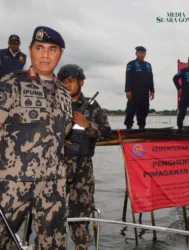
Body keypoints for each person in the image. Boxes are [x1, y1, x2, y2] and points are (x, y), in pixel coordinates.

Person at [0, 26, 72, 249]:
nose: (45, 54)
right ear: (30, 50)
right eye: (39, 48)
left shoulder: (64, 93)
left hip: (54, 186)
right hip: (12, 184)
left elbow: (64, 132)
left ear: (60, 54)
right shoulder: (11, 84)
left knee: (52, 244)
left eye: (52, 49)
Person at [58, 64, 111, 250]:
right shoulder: (53, 105)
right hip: (56, 168)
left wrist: (87, 124)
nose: (66, 85)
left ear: (81, 82)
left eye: (70, 81)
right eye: (63, 82)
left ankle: (81, 246)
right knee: (52, 214)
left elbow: (106, 133)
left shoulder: (92, 107)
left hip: (83, 169)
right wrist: (58, 140)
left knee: (80, 216)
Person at [124, 46, 155, 129]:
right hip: (133, 91)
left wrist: (152, 90)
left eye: (143, 53)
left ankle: (141, 127)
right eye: (139, 53)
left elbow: (150, 78)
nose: (141, 55)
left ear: (145, 54)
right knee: (131, 110)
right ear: (136, 54)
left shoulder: (148, 65)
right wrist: (128, 90)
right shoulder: (131, 64)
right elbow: (128, 77)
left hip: (145, 91)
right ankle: (128, 126)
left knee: (144, 110)